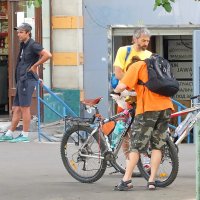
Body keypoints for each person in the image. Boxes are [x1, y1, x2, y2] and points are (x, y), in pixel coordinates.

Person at [113, 56, 174, 191]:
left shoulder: (136, 67)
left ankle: (126, 180)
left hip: (148, 109)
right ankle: (151, 181)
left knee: (135, 146)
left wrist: (114, 92)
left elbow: (121, 86)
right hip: (166, 107)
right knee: (158, 146)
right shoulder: (155, 66)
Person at [0, 22, 52, 143]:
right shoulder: (23, 45)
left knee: (24, 108)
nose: (18, 34)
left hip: (27, 80)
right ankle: (9, 133)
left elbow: (47, 55)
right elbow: (27, 62)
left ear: (28, 33)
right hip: (22, 80)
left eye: (21, 32)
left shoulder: (33, 45)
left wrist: (34, 67)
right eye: (18, 32)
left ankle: (24, 135)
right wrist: (37, 76)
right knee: (16, 108)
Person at [113, 27, 152, 165]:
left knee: (144, 128)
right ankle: (129, 160)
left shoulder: (149, 55)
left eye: (147, 40)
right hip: (125, 96)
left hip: (141, 98)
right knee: (126, 130)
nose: (146, 43)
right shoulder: (124, 51)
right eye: (143, 40)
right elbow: (118, 73)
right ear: (135, 39)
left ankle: (144, 159)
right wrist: (133, 84)